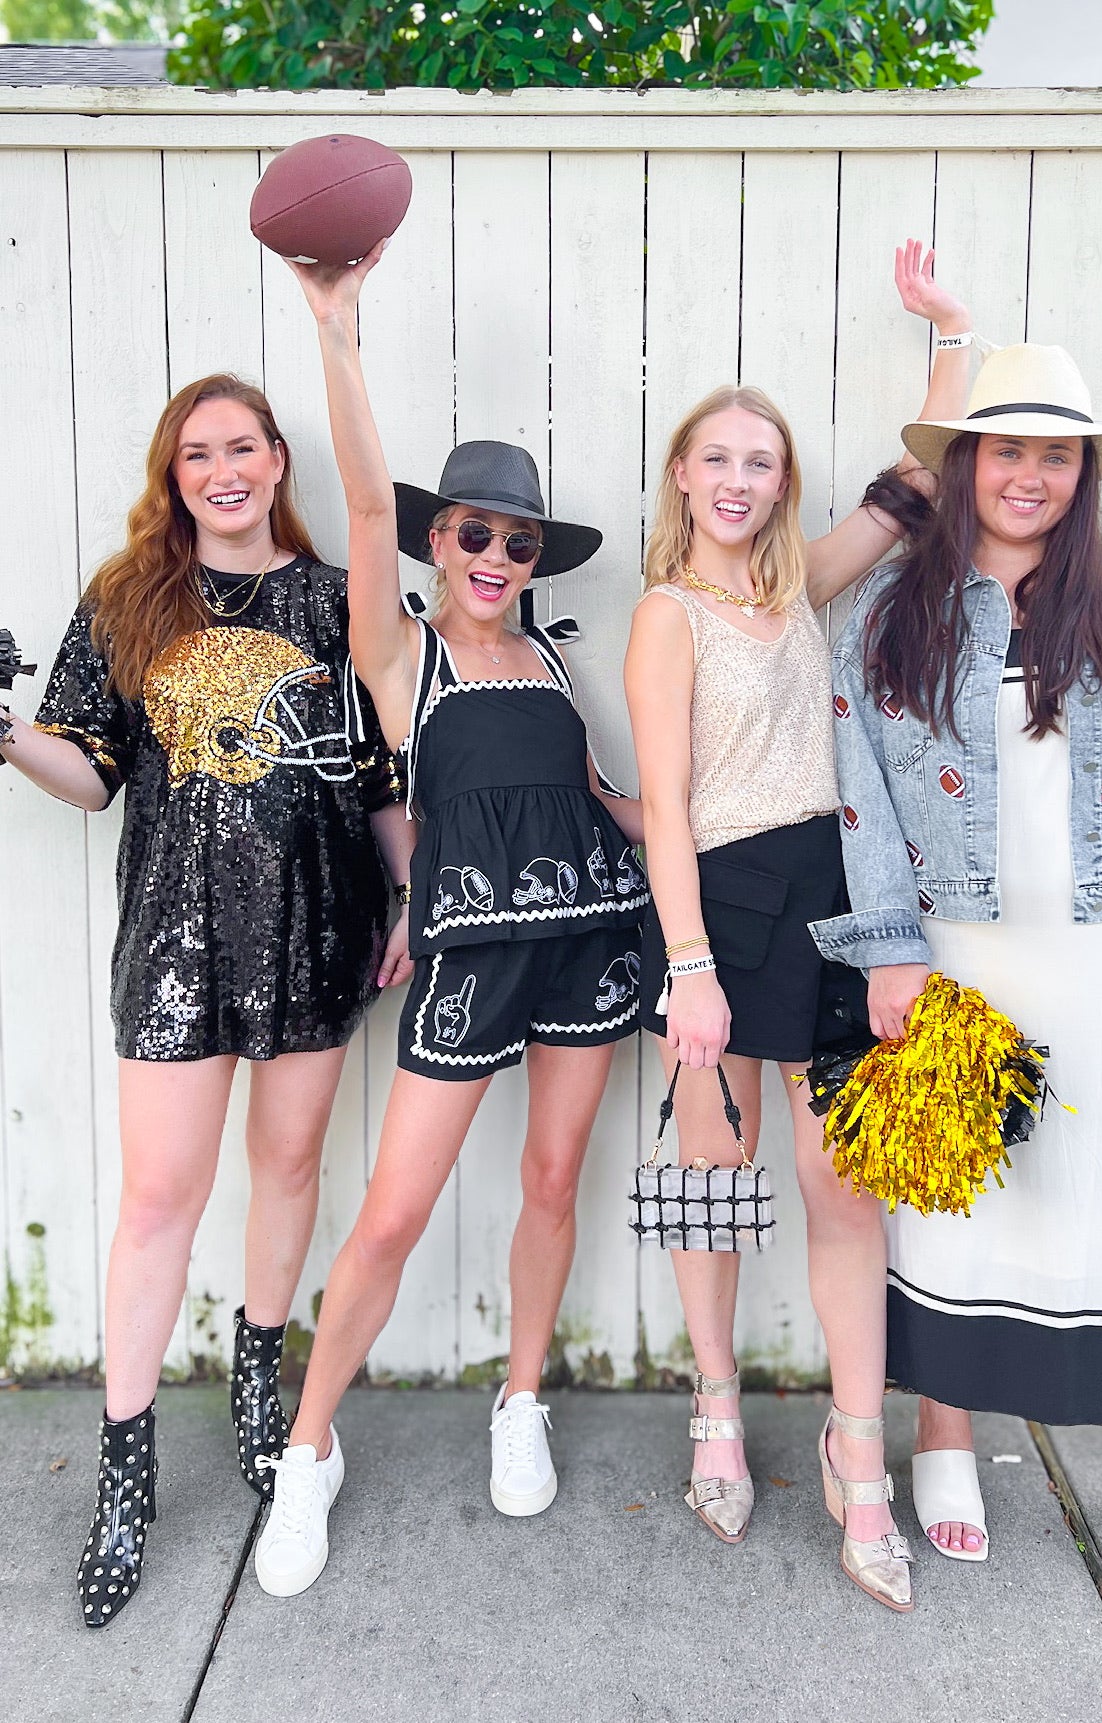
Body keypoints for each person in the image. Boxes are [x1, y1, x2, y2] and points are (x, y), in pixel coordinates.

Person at [814, 340, 1102, 1627]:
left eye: (1057, 454)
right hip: (961, 951)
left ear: (1084, 473)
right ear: (967, 462)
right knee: (960, 1191)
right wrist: (888, 949)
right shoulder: (886, 614)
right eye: (1007, 449)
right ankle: (944, 1429)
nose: (1029, 474)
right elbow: (860, 797)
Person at [252, 247, 646, 1599]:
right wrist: (336, 331)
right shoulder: (401, 651)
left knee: (552, 1179)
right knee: (389, 1217)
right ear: (440, 542)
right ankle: (309, 1449)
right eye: (473, 533)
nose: (494, 557)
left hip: (590, 943)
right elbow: (365, 500)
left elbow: (609, 803)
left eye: (518, 541)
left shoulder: (551, 657)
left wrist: (736, 835)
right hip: (468, 960)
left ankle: (519, 1397)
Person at [0, 374, 414, 1628]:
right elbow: (91, 772)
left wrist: (413, 897)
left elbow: (380, 772)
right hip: (175, 937)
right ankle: (125, 1472)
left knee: (286, 1168)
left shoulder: (336, 600)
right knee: (156, 1203)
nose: (222, 471)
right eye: (197, 454)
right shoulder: (129, 598)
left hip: (316, 928)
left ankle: (255, 1378)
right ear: (172, 476)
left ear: (278, 459)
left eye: (242, 447)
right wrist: (6, 733)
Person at [621, 244, 974, 1610]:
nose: (736, 477)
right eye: (715, 457)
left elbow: (914, 485)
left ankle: (855, 1450)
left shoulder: (793, 589)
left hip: (832, 899)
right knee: (713, 1178)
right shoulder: (666, 615)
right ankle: (714, 1408)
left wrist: (951, 331)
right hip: (720, 908)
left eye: (759, 461)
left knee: (844, 1187)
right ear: (681, 476)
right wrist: (688, 969)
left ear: (780, 484)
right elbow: (664, 807)